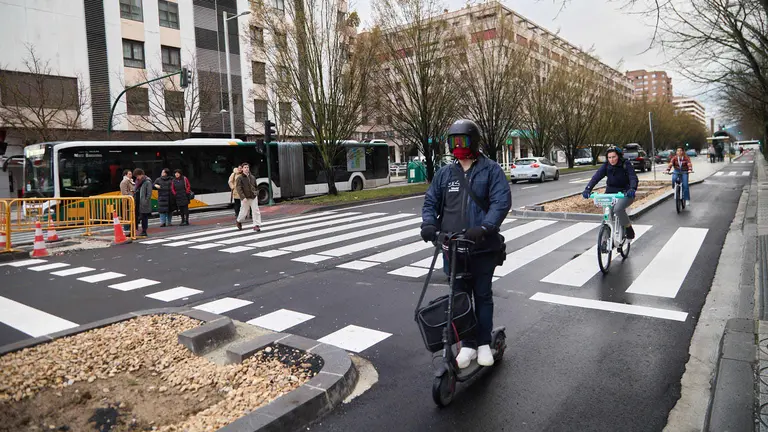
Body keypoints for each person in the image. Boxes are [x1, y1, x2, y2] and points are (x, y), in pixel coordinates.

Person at [420, 119, 512, 368]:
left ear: (474, 142)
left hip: (482, 247)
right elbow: (431, 202)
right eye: (454, 141)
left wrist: (485, 227)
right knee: (459, 298)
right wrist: (429, 224)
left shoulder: (491, 170)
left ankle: (483, 343)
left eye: (463, 141)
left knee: (482, 295)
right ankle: (468, 344)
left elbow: (501, 202)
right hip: (452, 248)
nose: (458, 146)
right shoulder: (445, 173)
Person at [582, 146, 638, 239]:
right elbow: (596, 177)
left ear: (618, 156)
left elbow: (633, 177)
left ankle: (628, 228)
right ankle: (606, 237)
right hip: (610, 193)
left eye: (614, 157)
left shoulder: (626, 164)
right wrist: (588, 189)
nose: (611, 160)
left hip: (625, 193)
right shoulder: (606, 166)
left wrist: (632, 189)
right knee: (607, 214)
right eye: (609, 157)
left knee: (618, 209)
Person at [235, 163, 262, 231]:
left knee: (256, 211)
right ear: (242, 169)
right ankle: (239, 221)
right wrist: (243, 197)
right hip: (245, 198)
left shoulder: (252, 177)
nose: (246, 169)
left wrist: (256, 193)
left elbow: (256, 186)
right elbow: (239, 188)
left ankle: (256, 225)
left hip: (253, 197)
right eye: (245, 167)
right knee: (243, 212)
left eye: (247, 167)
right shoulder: (239, 178)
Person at [133, 168, 152, 237]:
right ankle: (134, 230)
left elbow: (149, 193)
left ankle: (144, 231)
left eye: (138, 176)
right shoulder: (137, 181)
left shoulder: (147, 181)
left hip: (143, 202)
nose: (137, 177)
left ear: (141, 174)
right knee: (135, 216)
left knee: (144, 216)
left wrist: (145, 201)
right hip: (137, 201)